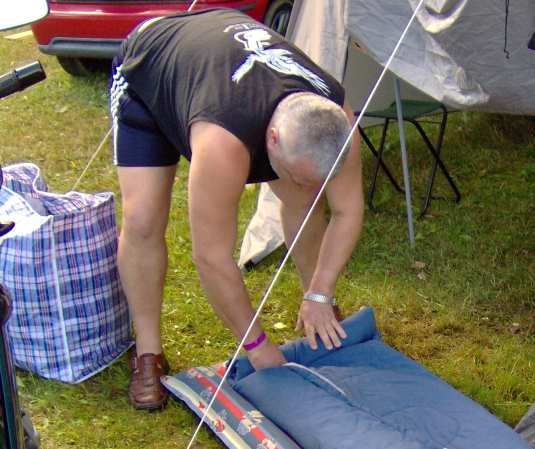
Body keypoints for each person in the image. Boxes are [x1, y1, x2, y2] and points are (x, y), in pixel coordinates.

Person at [109, 8, 364, 410]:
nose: (308, 188)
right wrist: (259, 348)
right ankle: (148, 352)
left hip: (220, 60)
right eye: (298, 175)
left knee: (305, 201)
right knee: (143, 219)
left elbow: (347, 211)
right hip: (151, 67)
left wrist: (321, 291)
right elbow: (211, 258)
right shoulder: (223, 143)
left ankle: (316, 313)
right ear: (273, 140)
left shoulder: (337, 119)